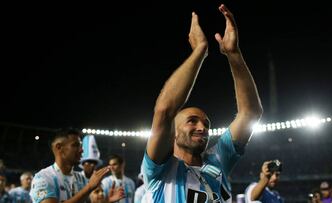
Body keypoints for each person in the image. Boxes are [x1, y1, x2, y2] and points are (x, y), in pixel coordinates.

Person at [141, 4, 262, 202]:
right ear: (174, 133)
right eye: (192, 121)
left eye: (206, 124)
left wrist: (234, 54)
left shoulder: (218, 160)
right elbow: (164, 110)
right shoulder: (159, 169)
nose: (202, 127)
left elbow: (250, 113)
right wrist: (199, 51)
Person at [29, 128, 123, 203]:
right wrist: (89, 187)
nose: (81, 150)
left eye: (81, 146)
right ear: (59, 147)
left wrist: (107, 202)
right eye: (75, 145)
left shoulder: (81, 179)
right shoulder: (43, 178)